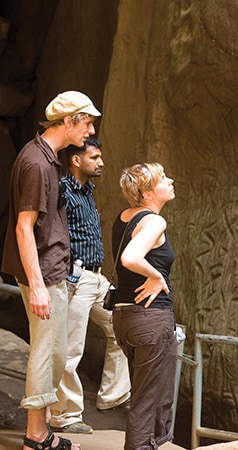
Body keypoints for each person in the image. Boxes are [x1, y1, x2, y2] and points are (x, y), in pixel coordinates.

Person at [2, 90, 101, 450]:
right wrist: (39, 285)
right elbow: (23, 228)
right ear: (68, 121)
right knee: (47, 353)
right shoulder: (38, 164)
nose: (90, 130)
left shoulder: (46, 158)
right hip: (43, 272)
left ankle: (41, 432)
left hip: (53, 270)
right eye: (87, 122)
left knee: (55, 352)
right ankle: (36, 437)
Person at [49, 137, 131, 434]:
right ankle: (65, 415)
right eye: (95, 157)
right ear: (76, 160)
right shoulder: (63, 191)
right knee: (70, 349)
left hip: (97, 278)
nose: (101, 162)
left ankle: (113, 395)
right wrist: (67, 273)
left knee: (121, 329)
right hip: (77, 277)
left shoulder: (87, 191)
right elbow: (49, 233)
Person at [111, 162, 177, 450]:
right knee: (148, 401)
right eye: (164, 178)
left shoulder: (125, 217)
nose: (170, 180)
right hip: (150, 319)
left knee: (143, 395)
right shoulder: (154, 221)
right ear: (148, 192)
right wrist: (157, 275)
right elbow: (130, 258)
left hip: (125, 317)